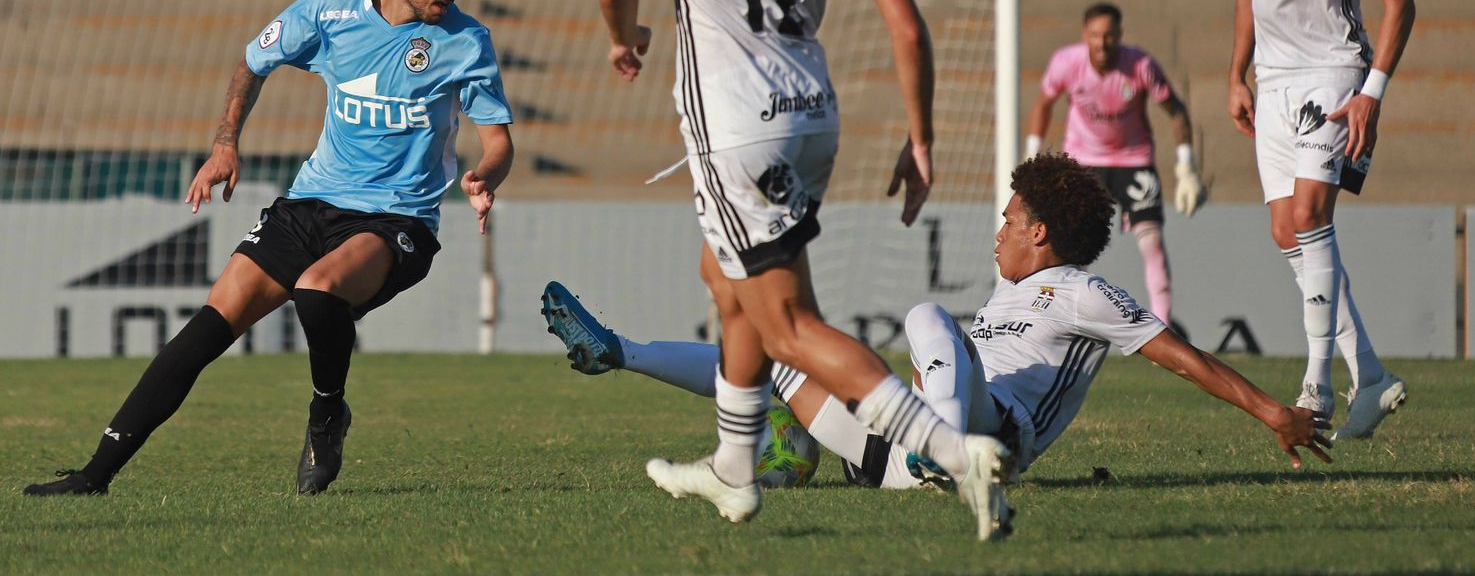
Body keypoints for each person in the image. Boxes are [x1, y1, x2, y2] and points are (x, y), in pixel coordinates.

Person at [581, 0, 1013, 541]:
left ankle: (954, 453)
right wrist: (921, 138)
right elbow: (906, 28)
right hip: (813, 115)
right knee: (725, 278)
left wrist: (623, 37)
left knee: (787, 326)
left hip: (737, 122)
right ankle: (735, 467)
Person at [24, 0, 516, 496]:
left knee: (318, 288)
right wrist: (224, 143)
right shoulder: (329, 11)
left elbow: (498, 142)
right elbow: (252, 62)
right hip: (310, 203)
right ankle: (93, 476)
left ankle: (327, 412)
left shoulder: (467, 41)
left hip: (397, 218)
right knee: (204, 332)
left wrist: (485, 176)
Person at [540, 153, 1332, 495]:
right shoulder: (1007, 292)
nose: (998, 232)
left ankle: (942, 451)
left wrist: (1274, 412)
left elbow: (1184, 356)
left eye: (1008, 219)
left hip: (993, 436)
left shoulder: (1082, 292)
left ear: (1039, 233)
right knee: (770, 352)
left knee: (926, 315)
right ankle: (619, 351)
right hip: (891, 457)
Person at [1227, 0, 1416, 439]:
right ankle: (1370, 372)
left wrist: (1372, 92)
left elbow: (1399, 3)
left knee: (1310, 217)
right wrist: (1236, 74)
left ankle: (1317, 383)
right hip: (1273, 81)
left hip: (1333, 73)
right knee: (1286, 230)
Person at [1027, 2, 1205, 332]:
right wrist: (1032, 157)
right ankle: (1065, 326)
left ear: (1119, 35)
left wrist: (1186, 168)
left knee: (1152, 242)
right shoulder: (1066, 63)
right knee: (1070, 248)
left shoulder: (1140, 66)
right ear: (1085, 35)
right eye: (1095, 35)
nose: (1102, 43)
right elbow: (1043, 104)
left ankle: (1162, 328)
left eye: (1109, 35)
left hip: (1133, 160)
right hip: (1082, 162)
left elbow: (1176, 111)